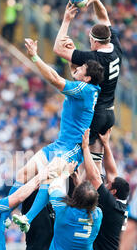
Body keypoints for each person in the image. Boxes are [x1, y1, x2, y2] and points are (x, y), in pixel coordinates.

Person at [11, 37, 104, 234]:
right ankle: (4, 216)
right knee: (23, 173)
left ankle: (27, 218)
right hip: (58, 145)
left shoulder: (84, 90)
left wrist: (35, 57)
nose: (76, 68)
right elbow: (73, 70)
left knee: (48, 177)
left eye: (80, 68)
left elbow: (54, 79)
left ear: (87, 77)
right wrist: (71, 43)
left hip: (71, 149)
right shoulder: (87, 87)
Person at [53, 0, 122, 168]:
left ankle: (74, 193)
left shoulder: (94, 58)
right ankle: (96, 194)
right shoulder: (115, 47)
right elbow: (104, 17)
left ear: (94, 40)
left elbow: (58, 49)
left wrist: (67, 19)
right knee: (95, 164)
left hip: (94, 113)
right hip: (109, 114)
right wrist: (96, 0)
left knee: (78, 159)